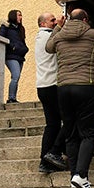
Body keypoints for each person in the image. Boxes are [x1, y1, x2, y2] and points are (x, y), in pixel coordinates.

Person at [45, 6, 94, 188]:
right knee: (88, 133)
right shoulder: (91, 34)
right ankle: (81, 175)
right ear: (85, 20)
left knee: (71, 134)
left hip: (63, 88)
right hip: (85, 86)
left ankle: (74, 176)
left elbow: (48, 47)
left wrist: (58, 27)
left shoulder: (60, 36)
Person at [35, 11, 68, 173]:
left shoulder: (40, 36)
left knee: (52, 124)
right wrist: (61, 26)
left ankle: (45, 161)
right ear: (43, 24)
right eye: (52, 20)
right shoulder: (47, 36)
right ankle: (54, 152)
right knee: (68, 120)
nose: (55, 22)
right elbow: (55, 41)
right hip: (52, 86)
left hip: (43, 86)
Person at [0, 9, 28, 103]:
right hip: (10, 56)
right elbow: (1, 39)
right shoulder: (5, 27)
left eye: (21, 15)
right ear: (13, 16)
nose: (20, 17)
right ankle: (11, 98)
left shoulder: (20, 29)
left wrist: (25, 49)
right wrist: (13, 47)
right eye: (19, 15)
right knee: (15, 76)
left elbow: (22, 41)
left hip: (20, 56)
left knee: (16, 77)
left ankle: (13, 98)